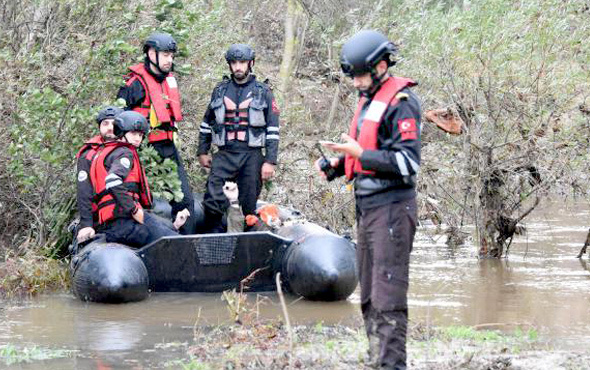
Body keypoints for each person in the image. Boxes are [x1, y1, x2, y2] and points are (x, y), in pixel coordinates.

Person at [315, 30, 421, 370]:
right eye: (353, 75)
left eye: (361, 74)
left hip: (392, 209)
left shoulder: (402, 104)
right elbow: (367, 153)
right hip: (368, 207)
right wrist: (338, 164)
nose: (356, 82)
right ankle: (378, 361)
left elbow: (407, 163)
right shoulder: (368, 100)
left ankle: (392, 365)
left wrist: (361, 153)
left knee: (388, 299)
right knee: (370, 297)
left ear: (381, 66)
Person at [197, 44, 280, 233]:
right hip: (224, 154)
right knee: (212, 202)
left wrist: (270, 161)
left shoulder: (264, 91)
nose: (238, 67)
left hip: (252, 155)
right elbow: (207, 122)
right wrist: (202, 151)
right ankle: (215, 241)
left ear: (250, 63)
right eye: (233, 62)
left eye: (242, 62)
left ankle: (244, 250)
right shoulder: (220, 90)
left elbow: (273, 129)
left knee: (248, 206)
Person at [116, 32, 193, 234]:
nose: (170, 60)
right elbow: (119, 122)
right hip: (143, 152)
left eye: (172, 55)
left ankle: (184, 246)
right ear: (151, 53)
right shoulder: (133, 84)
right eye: (166, 55)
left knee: (185, 201)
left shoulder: (169, 81)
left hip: (167, 149)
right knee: (146, 203)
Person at [90, 111, 179, 248]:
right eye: (133, 134)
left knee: (168, 228)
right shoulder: (125, 153)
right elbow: (113, 181)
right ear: (121, 133)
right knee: (176, 242)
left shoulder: (109, 151)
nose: (138, 138)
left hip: (110, 223)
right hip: (123, 221)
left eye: (140, 135)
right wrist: (134, 210)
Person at [75, 106, 124, 243]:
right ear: (99, 127)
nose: (109, 127)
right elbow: (84, 192)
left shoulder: (129, 149)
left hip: (128, 214)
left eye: (114, 124)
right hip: (102, 218)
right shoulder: (88, 156)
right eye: (105, 123)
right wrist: (87, 225)